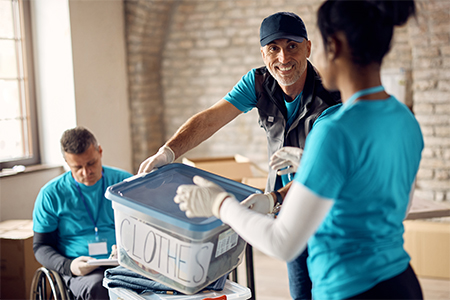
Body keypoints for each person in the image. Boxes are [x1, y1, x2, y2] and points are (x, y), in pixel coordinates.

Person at [174, 0, 424, 299]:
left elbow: (283, 242)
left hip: (349, 289)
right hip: (401, 282)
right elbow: (397, 205)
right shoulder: (404, 118)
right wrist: (317, 167)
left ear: (334, 45)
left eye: (308, 45)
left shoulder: (334, 128)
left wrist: (220, 204)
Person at [138, 11, 340, 299]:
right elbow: (210, 119)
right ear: (263, 52)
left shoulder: (329, 99)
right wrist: (167, 152)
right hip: (286, 211)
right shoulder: (258, 83)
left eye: (292, 46)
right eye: (273, 48)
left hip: (324, 209)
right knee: (301, 293)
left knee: (331, 289)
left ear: (308, 47)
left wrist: (273, 198)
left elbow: (323, 173)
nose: (283, 58)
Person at [33, 127, 132, 300]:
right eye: (77, 167)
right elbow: (41, 247)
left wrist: (128, 247)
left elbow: (144, 228)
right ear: (66, 162)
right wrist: (69, 266)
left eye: (91, 163)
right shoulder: (51, 194)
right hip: (81, 271)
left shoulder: (125, 183)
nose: (86, 173)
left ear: (100, 152)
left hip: (123, 264)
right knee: (100, 287)